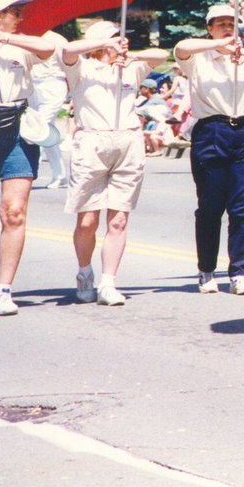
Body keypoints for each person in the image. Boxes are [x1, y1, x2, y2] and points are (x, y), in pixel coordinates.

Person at [175, 3, 244, 295]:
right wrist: (219, 45)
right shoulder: (199, 59)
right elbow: (181, 47)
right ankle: (206, 269)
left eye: (230, 24)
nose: (226, 28)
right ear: (209, 28)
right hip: (212, 130)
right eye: (219, 23)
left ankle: (238, 270)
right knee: (211, 205)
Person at [61, 21, 167, 306]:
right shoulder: (81, 67)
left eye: (122, 36)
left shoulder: (131, 67)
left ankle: (109, 282)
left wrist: (134, 56)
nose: (122, 41)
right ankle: (85, 273)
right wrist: (102, 45)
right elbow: (68, 50)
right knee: (87, 220)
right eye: (114, 38)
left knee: (118, 219)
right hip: (92, 142)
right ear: (98, 42)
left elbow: (163, 57)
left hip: (128, 141)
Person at [0, 0, 55, 316]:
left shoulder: (22, 43)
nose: (20, 17)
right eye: (14, 11)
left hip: (17, 127)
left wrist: (4, 38)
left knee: (13, 211)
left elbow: (48, 47)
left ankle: (4, 288)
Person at [28, 30, 69, 189]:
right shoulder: (27, 37)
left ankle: (30, 170)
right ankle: (60, 175)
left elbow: (69, 63)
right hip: (32, 84)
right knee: (45, 133)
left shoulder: (56, 39)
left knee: (39, 128)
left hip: (53, 82)